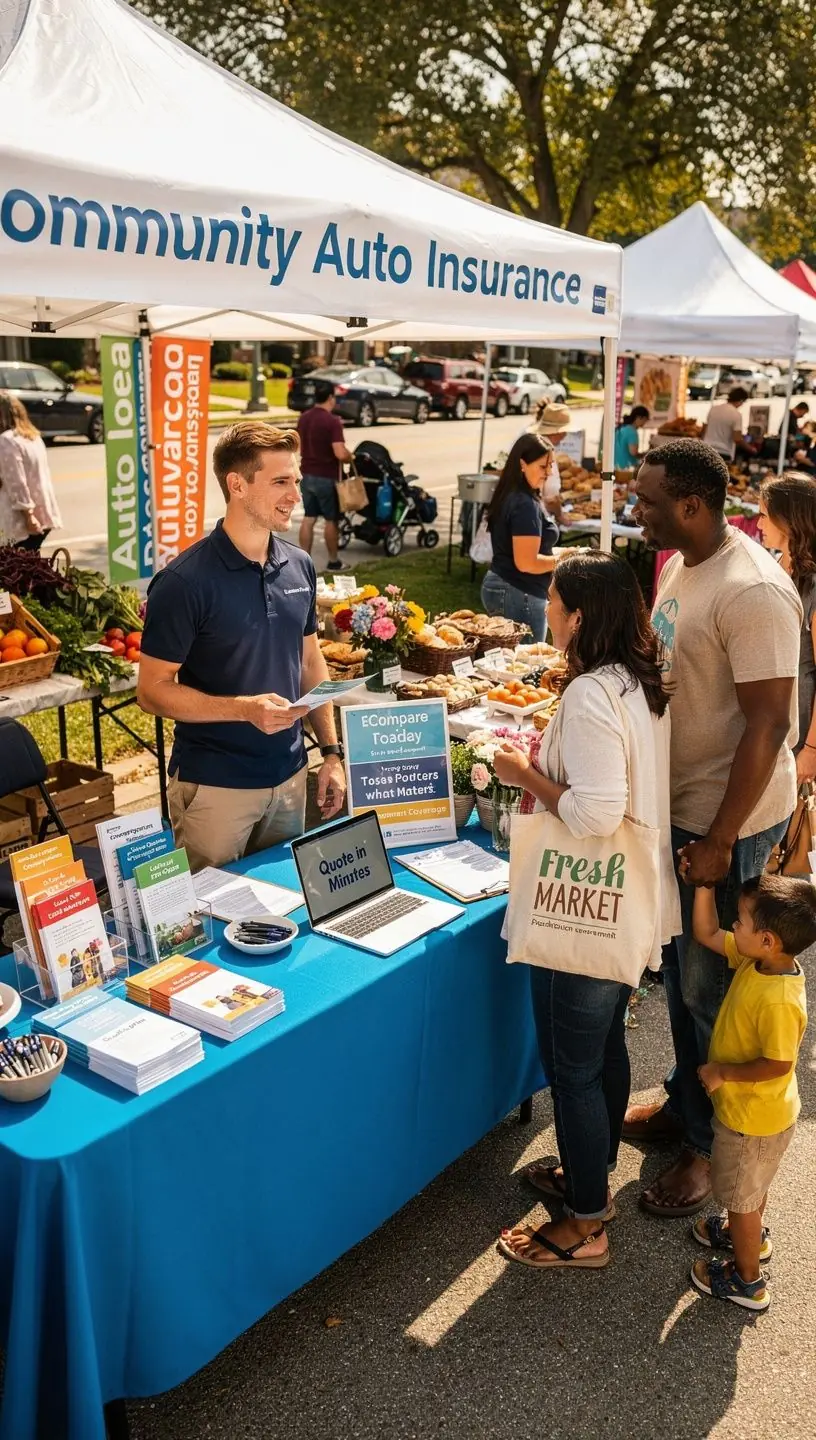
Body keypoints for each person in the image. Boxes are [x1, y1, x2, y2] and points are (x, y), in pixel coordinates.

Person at [627, 438, 801, 1216]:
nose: (638, 510)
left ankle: (709, 1150)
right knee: (679, 973)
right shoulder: (678, 564)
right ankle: (682, 1103)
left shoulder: (755, 590)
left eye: (649, 500)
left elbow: (767, 726)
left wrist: (723, 838)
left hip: (728, 821)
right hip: (682, 809)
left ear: (692, 506)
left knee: (711, 996)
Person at [494, 552, 680, 1272]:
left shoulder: (591, 695)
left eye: (553, 601)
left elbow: (598, 812)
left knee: (571, 1067)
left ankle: (586, 1222)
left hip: (584, 903)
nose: (546, 611)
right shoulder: (636, 681)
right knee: (599, 1050)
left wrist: (522, 773)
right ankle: (589, 1171)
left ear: (580, 616)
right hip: (619, 904)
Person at [137, 421, 347, 872]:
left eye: (296, 481)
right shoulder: (183, 583)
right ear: (237, 484)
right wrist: (243, 709)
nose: (296, 495)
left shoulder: (300, 565)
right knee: (207, 929)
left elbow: (311, 662)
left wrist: (330, 754)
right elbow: (151, 690)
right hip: (216, 789)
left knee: (281, 912)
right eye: (280, 482)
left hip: (291, 779)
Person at [689, 874, 813, 1311]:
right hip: (758, 1117)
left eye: (739, 921)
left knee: (740, 1198)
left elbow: (780, 1064)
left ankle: (747, 1281)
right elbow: (705, 933)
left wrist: (723, 1071)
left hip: (752, 1122)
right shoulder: (755, 959)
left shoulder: (780, 1000)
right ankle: (751, 1236)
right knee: (752, 1188)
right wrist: (702, 885)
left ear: (766, 939)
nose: (732, 927)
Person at [758, 473, 816, 780]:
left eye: (764, 516)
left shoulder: (813, 585)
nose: (758, 524)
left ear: (788, 519)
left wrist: (812, 750)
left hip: (799, 727)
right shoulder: (773, 563)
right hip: (770, 720)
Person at [480, 434, 558, 641]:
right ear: (522, 464)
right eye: (543, 466)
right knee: (525, 665)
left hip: (511, 587)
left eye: (551, 466)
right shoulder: (524, 504)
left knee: (509, 663)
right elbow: (526, 563)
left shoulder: (513, 494)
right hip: (519, 591)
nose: (549, 472)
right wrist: (565, 560)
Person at [297, 379, 354, 571]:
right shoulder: (332, 421)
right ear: (331, 398)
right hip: (326, 476)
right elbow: (339, 452)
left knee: (309, 517)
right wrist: (349, 457)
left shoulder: (304, 418)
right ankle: (333, 561)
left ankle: (303, 563)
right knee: (331, 519)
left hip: (306, 473)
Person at [0, 391, 61, 549]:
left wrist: (29, 516)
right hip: (44, 512)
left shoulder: (7, 440)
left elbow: (17, 482)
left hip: (21, 522)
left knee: (16, 569)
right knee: (31, 566)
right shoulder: (33, 437)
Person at [522, 400, 572, 524]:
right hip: (533, 518)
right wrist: (561, 516)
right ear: (560, 432)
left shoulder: (529, 444)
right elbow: (551, 498)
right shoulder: (546, 453)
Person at [703, 387, 749, 461]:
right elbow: (737, 438)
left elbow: (705, 429)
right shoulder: (736, 414)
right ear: (741, 400)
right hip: (724, 453)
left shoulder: (714, 409)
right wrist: (750, 448)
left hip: (707, 450)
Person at [614, 405, 649, 471]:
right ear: (639, 417)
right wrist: (646, 454)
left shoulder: (621, 428)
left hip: (615, 466)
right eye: (645, 420)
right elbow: (633, 452)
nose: (645, 423)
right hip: (626, 468)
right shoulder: (632, 432)